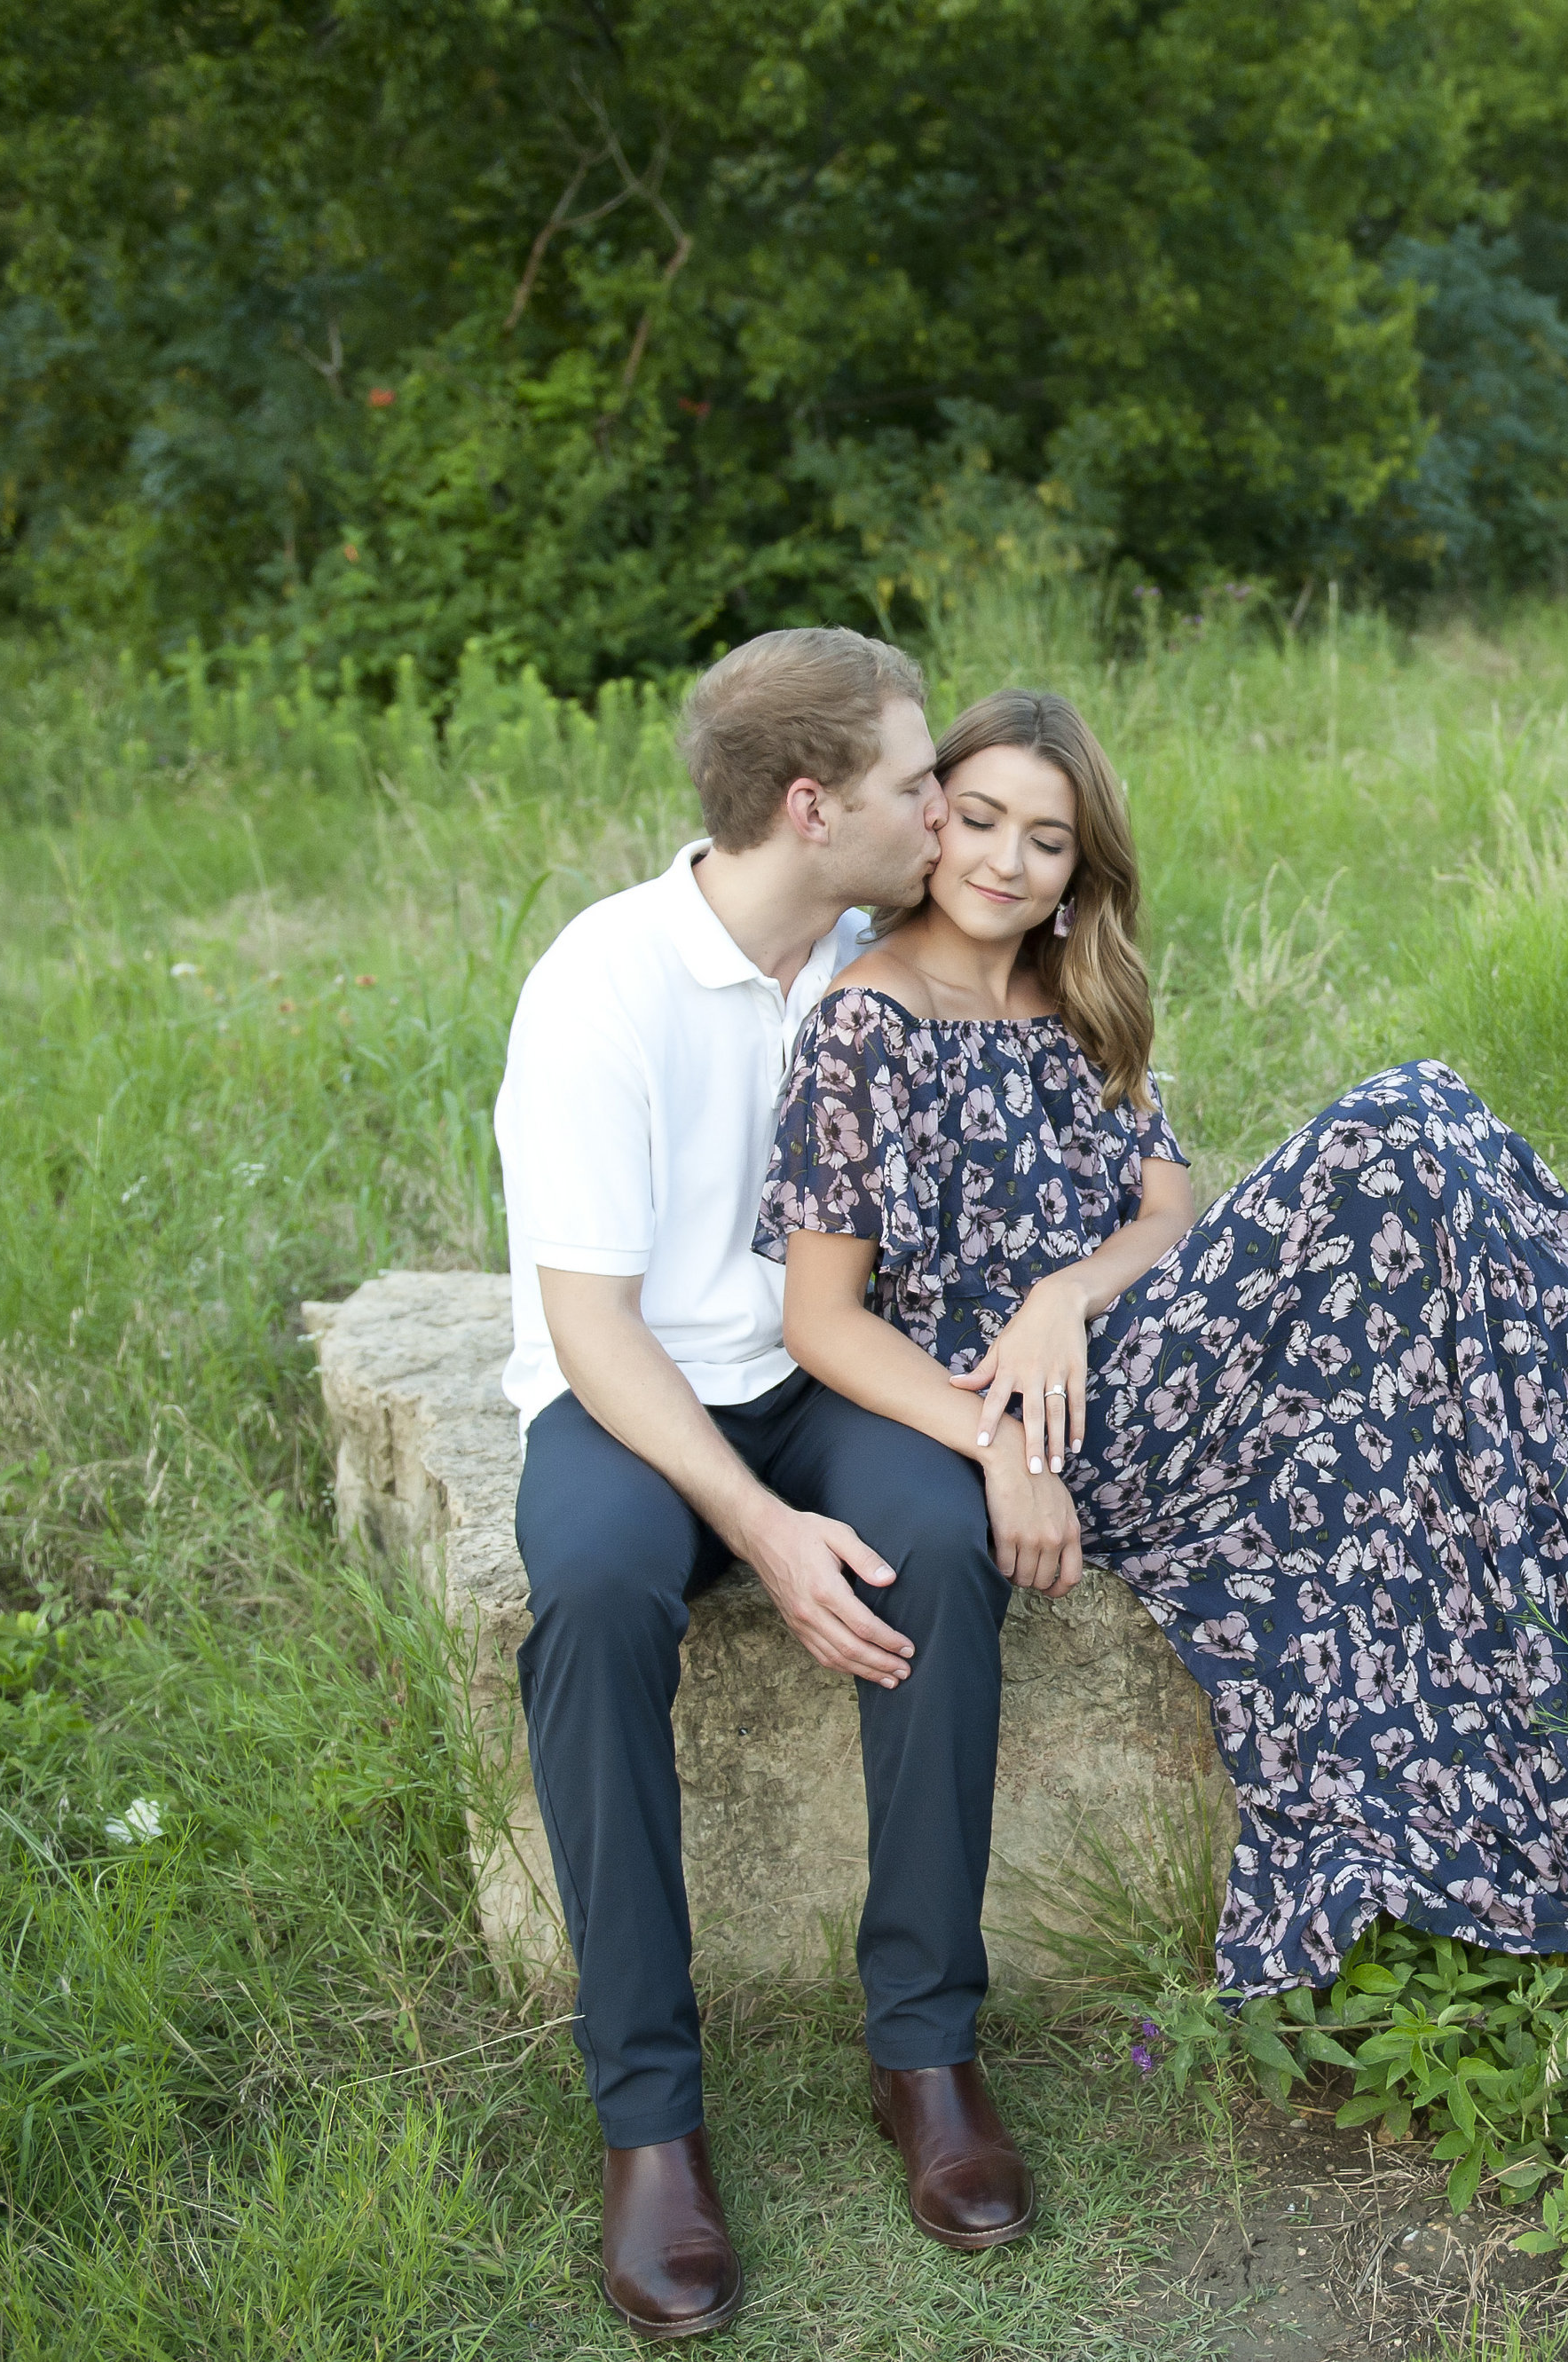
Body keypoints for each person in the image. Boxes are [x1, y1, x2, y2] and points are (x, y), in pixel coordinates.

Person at [766, 689, 1568, 2015]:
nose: (1007, 860)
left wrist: (1069, 1287)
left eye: (1049, 839)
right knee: (1402, 1119)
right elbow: (819, 1318)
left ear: (1082, 869)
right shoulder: (865, 1023)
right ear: (933, 817)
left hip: (1141, 1346)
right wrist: (1001, 1438)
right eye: (984, 819)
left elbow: (1167, 1209)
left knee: (1430, 1126)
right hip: (1068, 1425)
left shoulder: (1072, 998)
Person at [494, 629, 1046, 2346]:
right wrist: (759, 1526)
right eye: (907, 787)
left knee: (944, 1543)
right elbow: (590, 1327)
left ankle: (924, 2051)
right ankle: (651, 2119)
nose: (938, 807)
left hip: (821, 1372)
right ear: (811, 807)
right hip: (635, 1401)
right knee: (590, 1591)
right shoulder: (603, 985)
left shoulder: (882, 960)